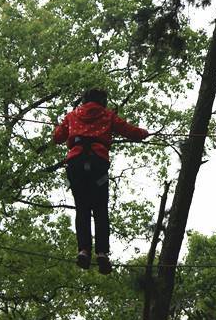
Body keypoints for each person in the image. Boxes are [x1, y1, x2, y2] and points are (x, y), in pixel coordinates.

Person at [53, 89, 149, 273]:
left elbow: (57, 137)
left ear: (84, 100)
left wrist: (64, 127)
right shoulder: (108, 116)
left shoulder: (72, 116)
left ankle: (83, 250)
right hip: (98, 165)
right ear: (102, 101)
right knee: (100, 208)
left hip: (76, 165)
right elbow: (129, 131)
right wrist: (144, 133)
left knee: (82, 207)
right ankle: (102, 253)